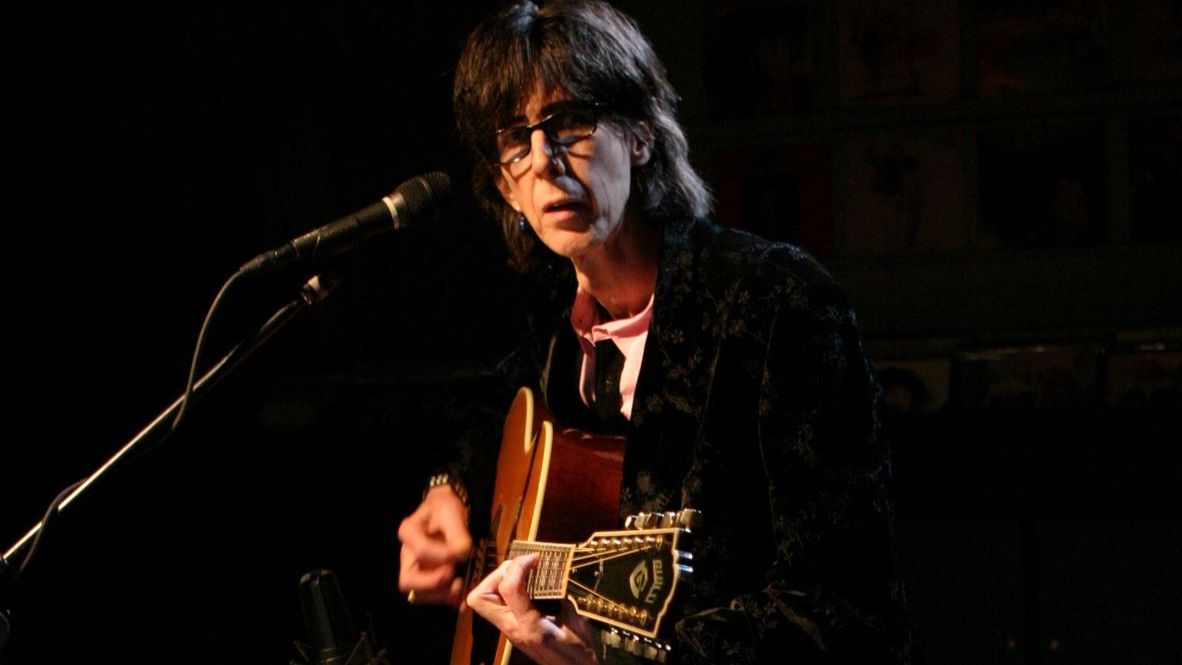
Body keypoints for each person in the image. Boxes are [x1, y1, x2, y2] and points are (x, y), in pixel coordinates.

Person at [398, 1, 912, 663]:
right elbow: (480, 409)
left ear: (640, 136)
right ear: (503, 183)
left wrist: (613, 657)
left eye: (569, 122)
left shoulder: (775, 302)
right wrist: (448, 489)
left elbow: (847, 612)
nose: (543, 159)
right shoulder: (553, 334)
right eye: (513, 139)